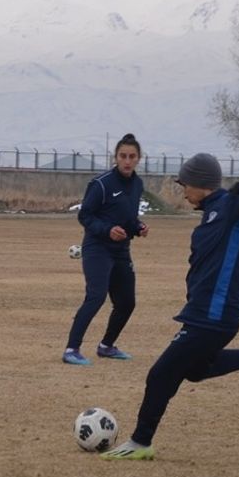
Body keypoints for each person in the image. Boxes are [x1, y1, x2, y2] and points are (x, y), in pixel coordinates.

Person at [101, 153, 239, 460]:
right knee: (195, 370)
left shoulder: (229, 208)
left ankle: (141, 442)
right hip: (207, 312)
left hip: (215, 314)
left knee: (161, 374)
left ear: (201, 184)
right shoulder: (211, 212)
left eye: (185, 184)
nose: (182, 190)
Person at [63, 133, 149, 366]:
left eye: (132, 156)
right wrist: (107, 230)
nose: (127, 161)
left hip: (121, 250)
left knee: (127, 302)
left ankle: (106, 346)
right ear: (116, 157)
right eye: (123, 156)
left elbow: (128, 218)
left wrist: (138, 226)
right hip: (97, 247)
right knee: (96, 296)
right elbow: (85, 215)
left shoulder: (137, 184)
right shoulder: (101, 184)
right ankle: (72, 349)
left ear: (139, 158)